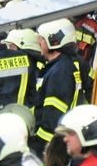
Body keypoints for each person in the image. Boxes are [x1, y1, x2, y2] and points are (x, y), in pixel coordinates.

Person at [33, 18, 91, 152]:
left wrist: (39, 145)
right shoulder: (73, 63)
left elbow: (53, 117)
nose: (39, 43)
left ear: (53, 41)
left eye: (42, 39)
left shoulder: (59, 71)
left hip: (53, 146)